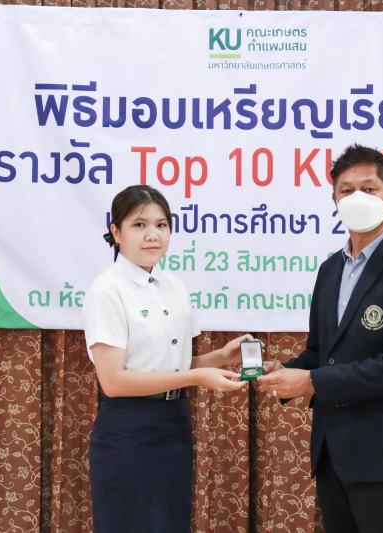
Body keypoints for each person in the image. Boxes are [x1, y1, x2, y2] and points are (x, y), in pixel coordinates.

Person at [257, 144, 383, 533]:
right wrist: (283, 371)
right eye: (347, 190)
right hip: (332, 450)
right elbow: (321, 353)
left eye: (369, 189)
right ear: (335, 200)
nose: (357, 198)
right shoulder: (330, 269)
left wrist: (310, 381)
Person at [82, 185, 251, 533]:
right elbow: (113, 382)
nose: (152, 235)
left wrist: (221, 357)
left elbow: (175, 367)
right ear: (116, 232)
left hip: (174, 427)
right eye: (139, 225)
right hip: (127, 430)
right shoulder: (107, 290)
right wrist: (196, 378)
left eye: (161, 225)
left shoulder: (175, 287)